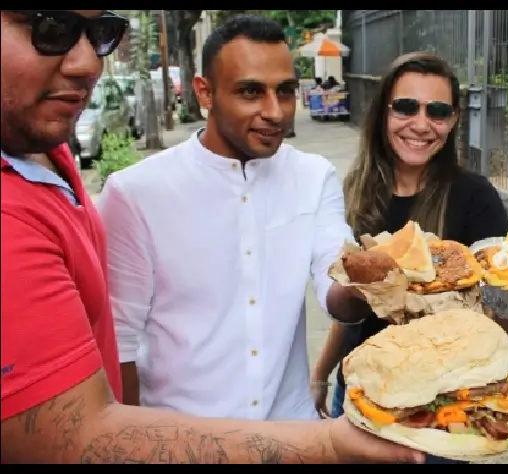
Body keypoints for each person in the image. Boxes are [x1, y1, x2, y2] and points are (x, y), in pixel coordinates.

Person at [0, 10, 423, 464]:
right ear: (205, 92)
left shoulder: (312, 175)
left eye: (285, 91)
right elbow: (120, 345)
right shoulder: (136, 192)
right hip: (183, 446)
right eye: (249, 92)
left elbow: (333, 285)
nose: (274, 111)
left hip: (295, 432)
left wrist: (382, 279)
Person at [311, 52, 508, 464]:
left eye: (438, 111)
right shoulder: (356, 191)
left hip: (437, 404)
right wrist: (321, 372)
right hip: (363, 391)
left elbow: (501, 321)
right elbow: (355, 305)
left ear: (454, 119)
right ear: (383, 111)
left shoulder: (475, 198)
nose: (421, 124)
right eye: (406, 107)